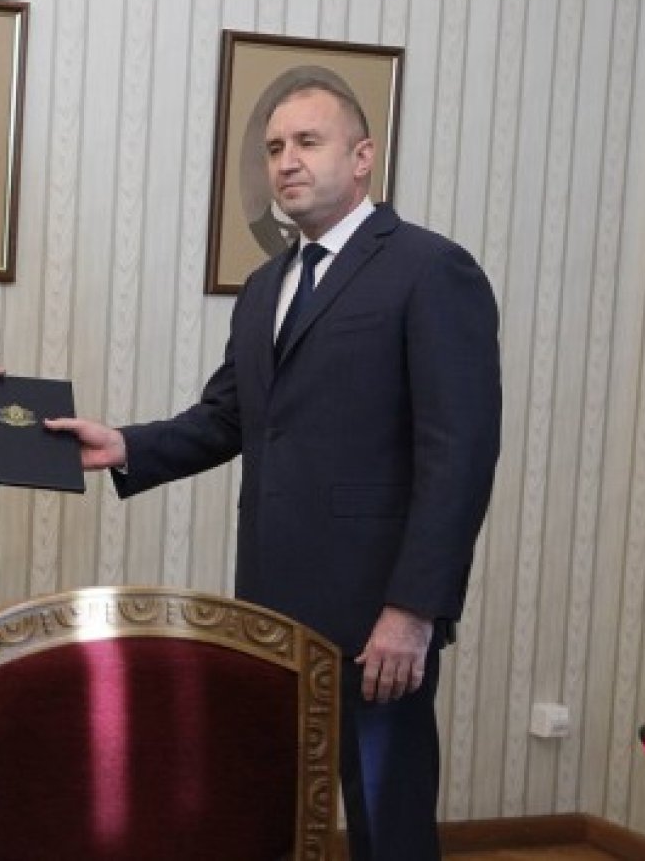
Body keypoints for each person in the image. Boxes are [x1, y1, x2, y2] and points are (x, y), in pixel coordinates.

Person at [46, 80, 501, 860]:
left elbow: (459, 454)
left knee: (386, 826)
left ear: (362, 157)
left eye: (308, 143)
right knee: (268, 814)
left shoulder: (430, 270)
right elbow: (230, 417)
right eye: (274, 148)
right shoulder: (266, 287)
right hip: (269, 609)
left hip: (376, 613)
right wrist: (122, 445)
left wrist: (413, 611)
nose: (287, 161)